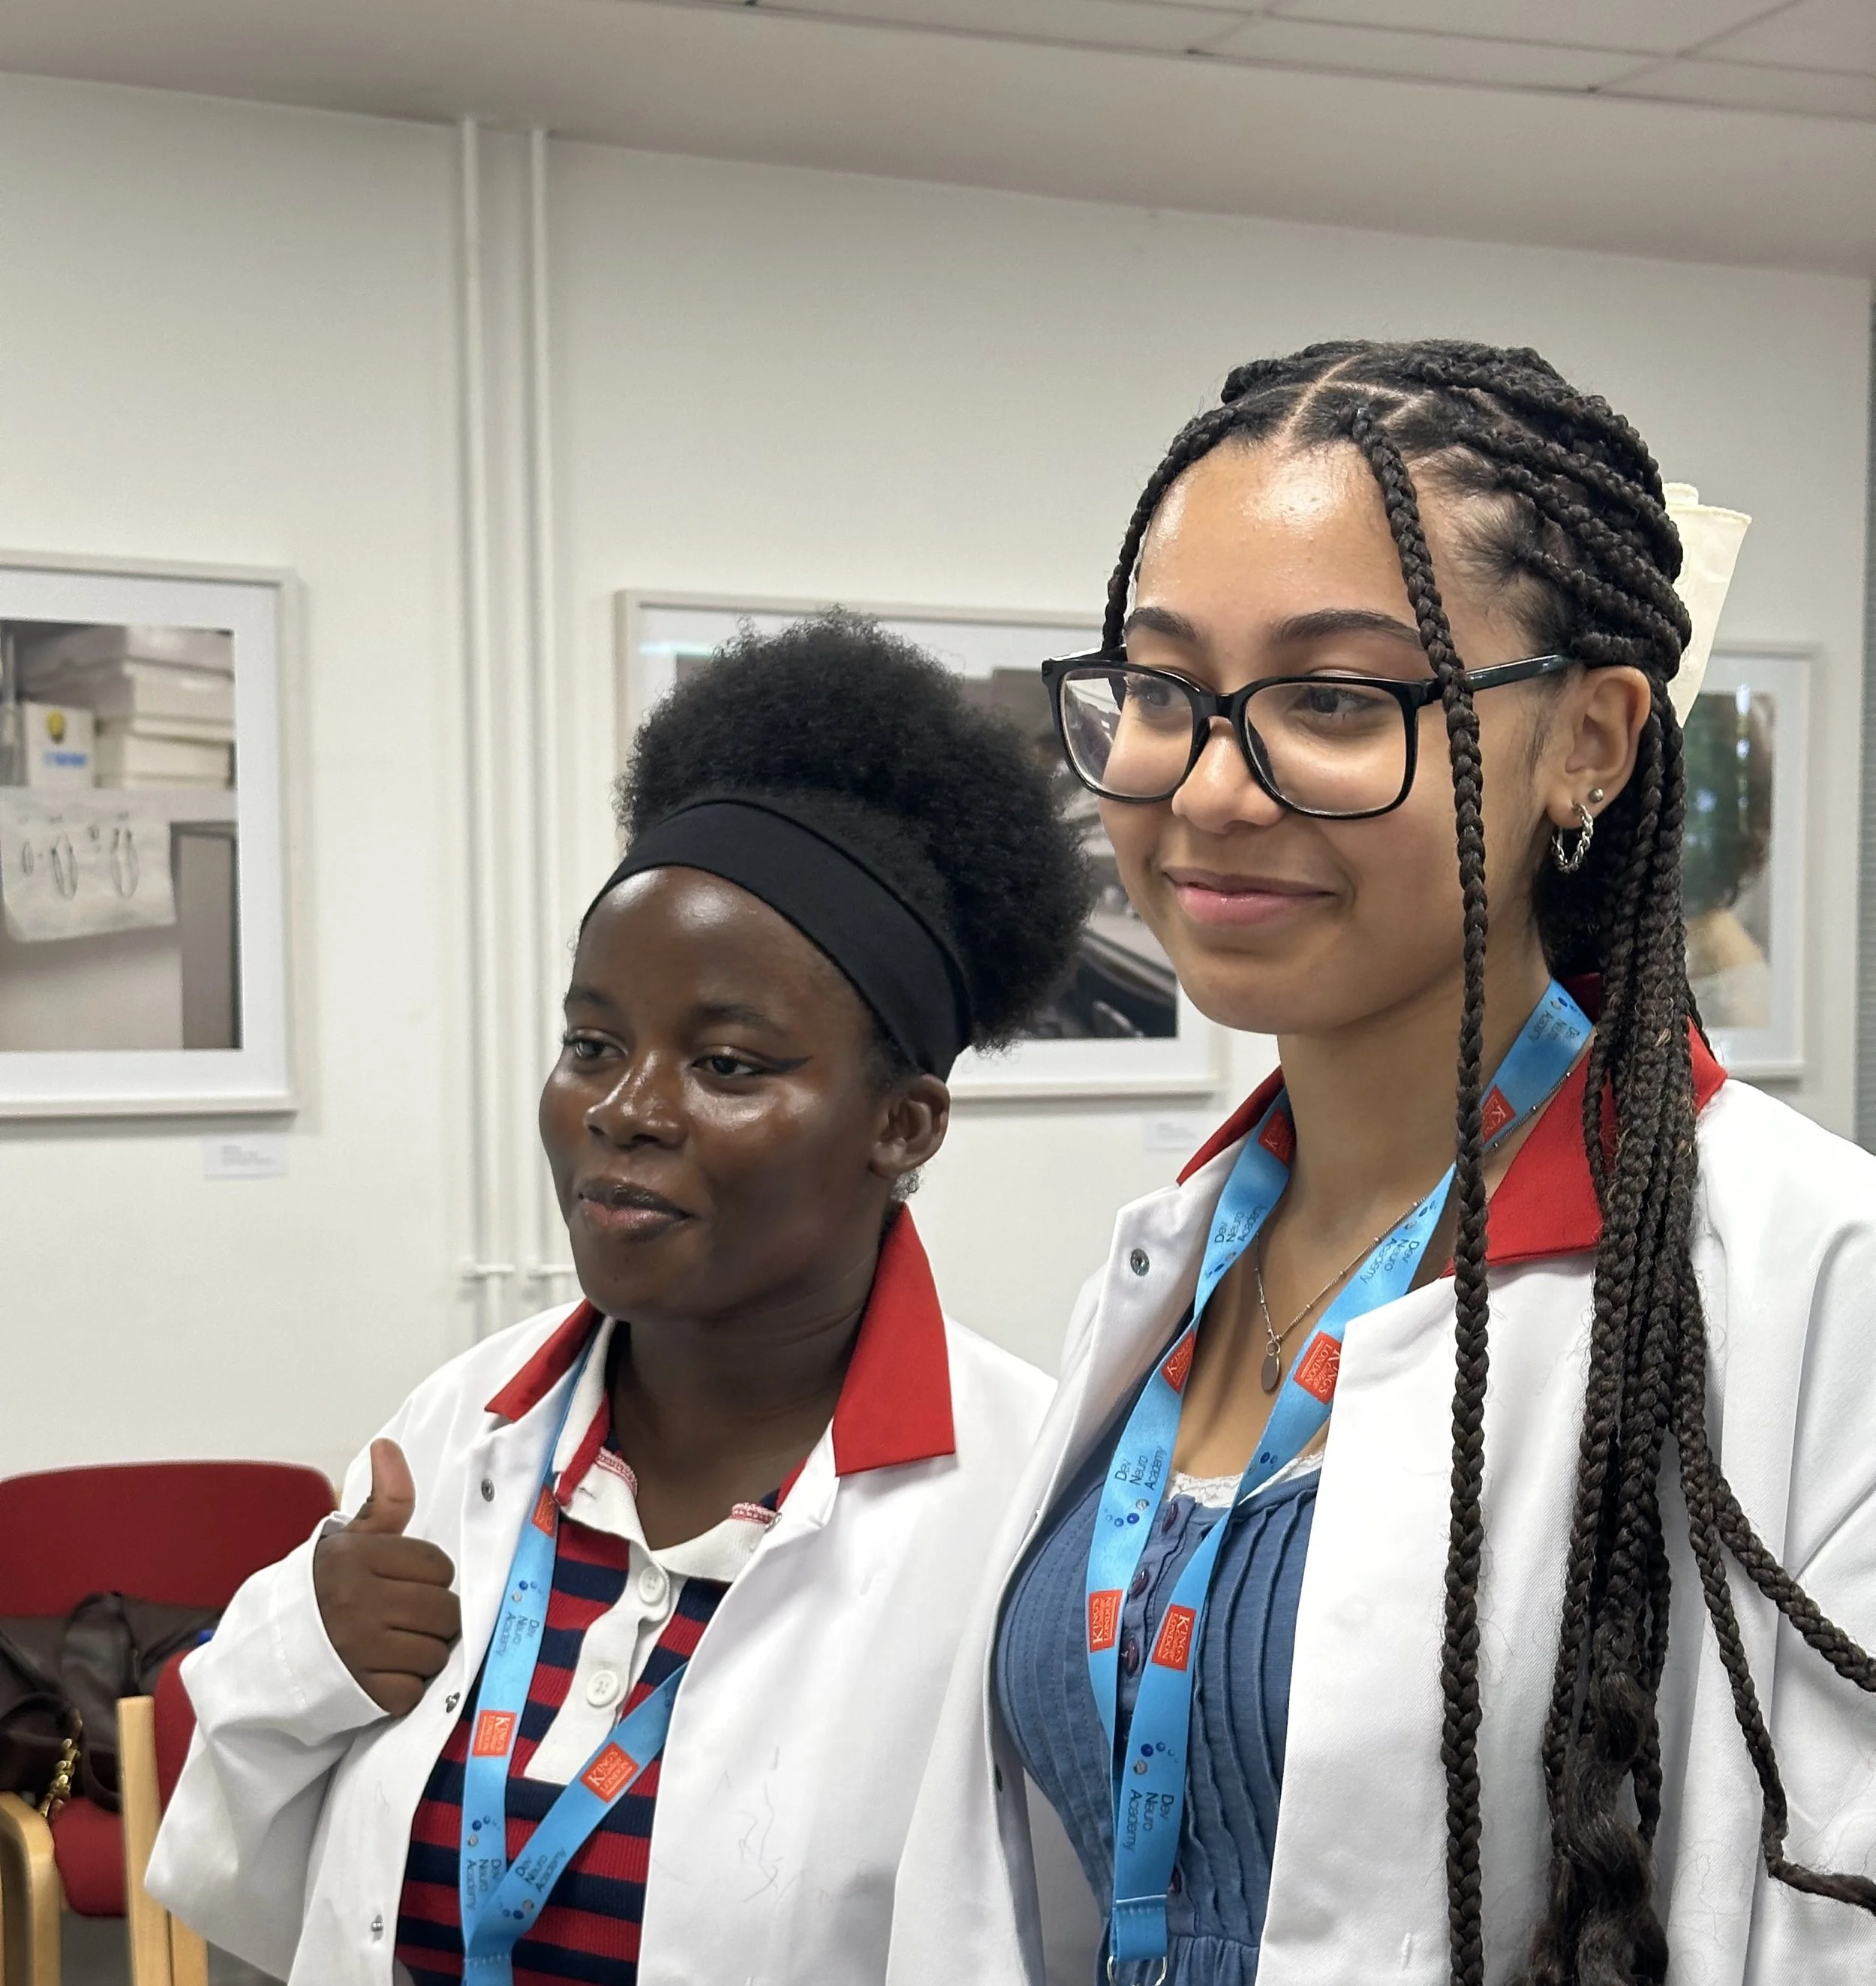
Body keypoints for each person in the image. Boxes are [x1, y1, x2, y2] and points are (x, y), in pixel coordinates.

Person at [886, 342, 1876, 1986]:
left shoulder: (1814, 1282)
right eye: (1160, 692)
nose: (1209, 788)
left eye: (1335, 700)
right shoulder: (1175, 1265)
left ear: (1591, 740)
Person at [147, 613, 1091, 1984]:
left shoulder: (1027, 1514)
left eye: (727, 1063)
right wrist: (314, 1655)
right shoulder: (459, 1425)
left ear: (903, 1123)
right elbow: (243, 1881)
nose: (625, 1109)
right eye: (592, 1043)